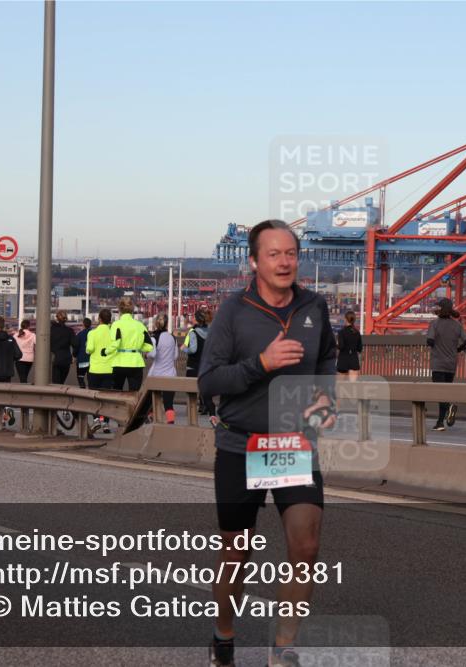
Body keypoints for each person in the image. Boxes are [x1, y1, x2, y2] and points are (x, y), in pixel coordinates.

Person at [198, 219, 336, 667]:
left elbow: (327, 357)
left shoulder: (315, 306)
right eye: (274, 254)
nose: (284, 262)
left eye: (291, 253)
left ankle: (283, 648)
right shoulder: (233, 311)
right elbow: (208, 381)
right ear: (254, 261)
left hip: (293, 443)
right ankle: (223, 635)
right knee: (237, 551)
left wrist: (325, 397)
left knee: (306, 546)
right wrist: (261, 363)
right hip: (241, 445)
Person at [426, 297, 465, 431]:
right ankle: (440, 421)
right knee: (445, 392)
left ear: (440, 309)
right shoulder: (457, 325)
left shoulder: (434, 324)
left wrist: (435, 344)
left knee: (439, 393)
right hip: (451, 364)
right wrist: (457, 349)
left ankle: (447, 411)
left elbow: (430, 341)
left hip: (438, 363)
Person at [85, 308, 117, 433]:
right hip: (109, 369)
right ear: (110, 319)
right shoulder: (113, 333)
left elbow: (89, 349)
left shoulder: (92, 333)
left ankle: (97, 419)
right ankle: (105, 423)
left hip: (95, 369)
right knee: (106, 398)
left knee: (94, 397)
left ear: (99, 319)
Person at [110, 298, 152, 392]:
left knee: (116, 393)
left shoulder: (115, 325)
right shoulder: (140, 325)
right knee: (134, 394)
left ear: (120, 310)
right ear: (132, 310)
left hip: (118, 361)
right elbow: (149, 346)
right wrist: (139, 348)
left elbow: (113, 344)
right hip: (135, 362)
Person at [147, 312, 179, 424]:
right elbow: (175, 356)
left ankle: (151, 418)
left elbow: (152, 354)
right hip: (170, 374)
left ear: (156, 323)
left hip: (156, 374)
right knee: (168, 402)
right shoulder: (172, 337)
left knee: (150, 401)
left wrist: (146, 354)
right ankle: (170, 422)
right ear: (167, 323)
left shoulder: (154, 338)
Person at [183, 308, 215, 415]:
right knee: (204, 387)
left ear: (197, 319)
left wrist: (184, 348)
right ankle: (207, 407)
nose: (192, 318)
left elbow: (193, 349)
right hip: (206, 364)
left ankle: (192, 412)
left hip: (194, 364)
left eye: (193, 317)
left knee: (191, 389)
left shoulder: (193, 332)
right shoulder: (210, 332)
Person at [50, 310, 76, 385]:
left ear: (57, 318)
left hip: (55, 357)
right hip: (66, 359)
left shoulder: (51, 329)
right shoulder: (69, 331)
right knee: (61, 382)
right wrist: (74, 355)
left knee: (56, 383)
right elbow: (75, 344)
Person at [336, 311, 363, 382]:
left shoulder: (341, 332)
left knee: (340, 384)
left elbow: (341, 346)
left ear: (345, 319)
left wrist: (337, 344)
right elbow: (359, 348)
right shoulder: (357, 332)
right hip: (353, 360)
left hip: (343, 360)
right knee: (352, 385)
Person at [73, 317, 92, 389]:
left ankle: (83, 389)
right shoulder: (93, 333)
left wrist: (74, 356)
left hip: (82, 360)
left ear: (83, 324)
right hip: (92, 360)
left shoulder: (80, 334)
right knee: (90, 378)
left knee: (80, 376)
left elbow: (76, 346)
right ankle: (91, 390)